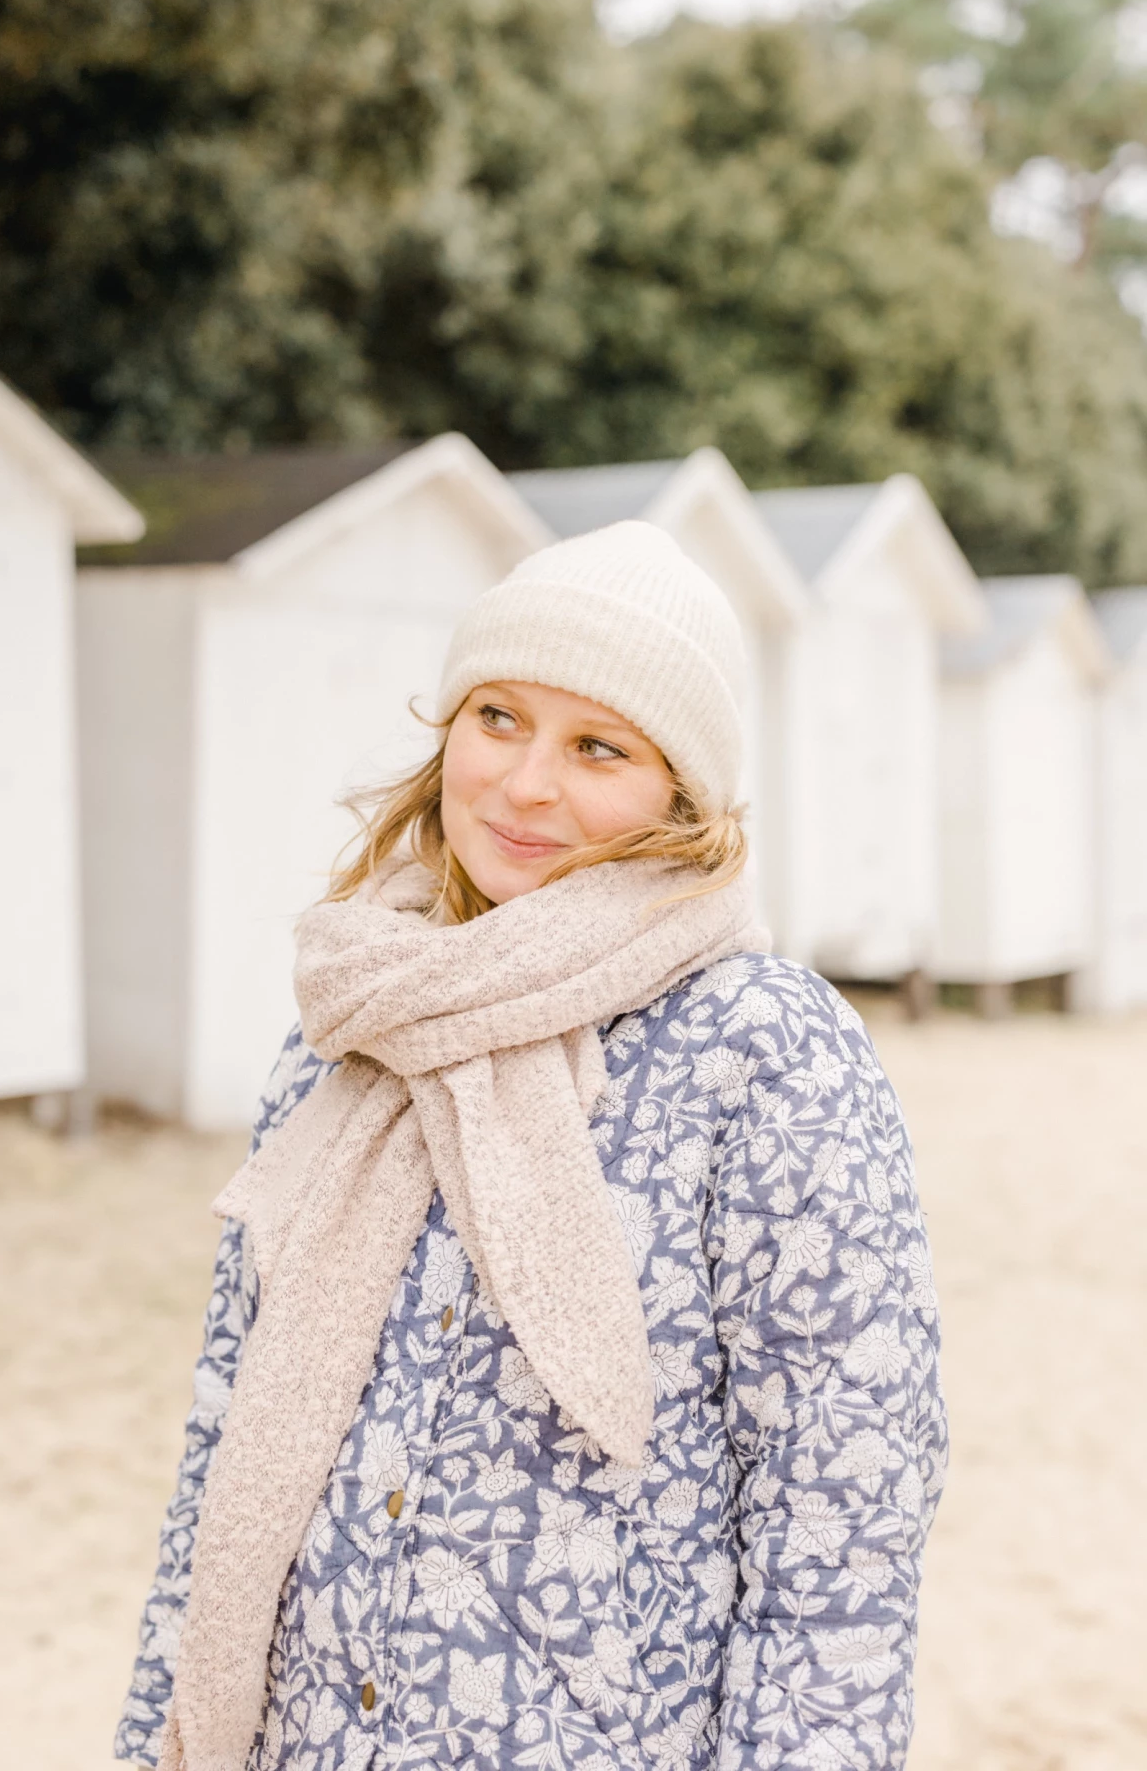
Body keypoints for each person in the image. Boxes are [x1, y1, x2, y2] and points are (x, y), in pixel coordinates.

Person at [115, 520, 946, 1771]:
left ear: (680, 793)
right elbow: (221, 1454)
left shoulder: (762, 1052)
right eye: (498, 716)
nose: (524, 783)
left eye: (598, 745)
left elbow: (841, 1516)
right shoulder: (353, 1029)